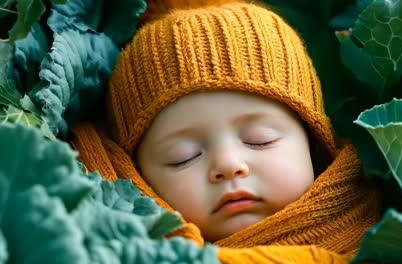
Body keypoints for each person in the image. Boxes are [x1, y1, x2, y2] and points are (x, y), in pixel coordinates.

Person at [70, 0, 381, 262]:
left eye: (260, 139)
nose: (229, 165)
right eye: (183, 157)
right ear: (137, 176)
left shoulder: (387, 239)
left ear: (315, 145)